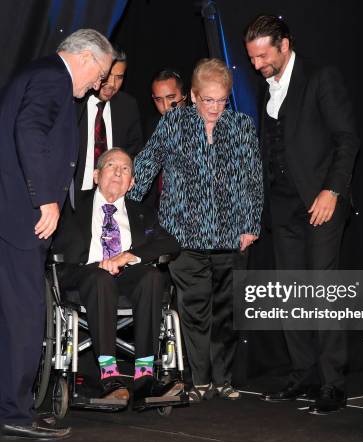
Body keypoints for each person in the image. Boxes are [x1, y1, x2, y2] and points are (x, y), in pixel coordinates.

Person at [0, 29, 114, 439]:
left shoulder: (40, 73)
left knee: (10, 316)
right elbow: (29, 131)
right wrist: (46, 199)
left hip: (0, 208)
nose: (97, 84)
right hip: (17, 211)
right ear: (83, 57)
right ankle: (14, 412)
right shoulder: (53, 78)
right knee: (25, 315)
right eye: (99, 74)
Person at [129, 58, 263, 402]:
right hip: (183, 236)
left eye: (221, 100)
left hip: (231, 235)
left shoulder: (242, 126)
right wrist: (120, 210)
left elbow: (253, 179)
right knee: (195, 311)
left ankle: (225, 380)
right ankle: (200, 380)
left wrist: (250, 224)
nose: (215, 108)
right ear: (193, 95)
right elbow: (145, 166)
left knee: (227, 312)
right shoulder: (173, 123)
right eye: (208, 100)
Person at [244, 15, 359, 413]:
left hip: (321, 202)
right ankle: (303, 374)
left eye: (263, 56)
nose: (257, 65)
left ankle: (332, 383)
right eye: (252, 58)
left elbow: (347, 139)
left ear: (285, 45)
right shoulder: (267, 89)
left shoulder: (320, 78)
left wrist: (332, 190)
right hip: (283, 207)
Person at [51, 148, 182, 408]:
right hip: (85, 274)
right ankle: (109, 375)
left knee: (153, 278)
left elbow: (170, 243)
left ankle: (144, 376)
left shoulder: (142, 212)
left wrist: (127, 256)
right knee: (101, 278)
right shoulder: (73, 208)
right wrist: (99, 264)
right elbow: (55, 246)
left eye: (125, 169)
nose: (118, 172)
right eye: (112, 166)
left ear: (132, 183)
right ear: (97, 175)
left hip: (126, 276)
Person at [71, 47, 143, 206]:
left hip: (111, 197)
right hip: (72, 197)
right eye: (108, 76)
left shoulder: (127, 106)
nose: (112, 84)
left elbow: (134, 151)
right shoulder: (75, 101)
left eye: (119, 77)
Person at [142, 69, 187, 207]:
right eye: (158, 100)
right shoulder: (150, 127)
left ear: (185, 95)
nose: (166, 106)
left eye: (171, 97)